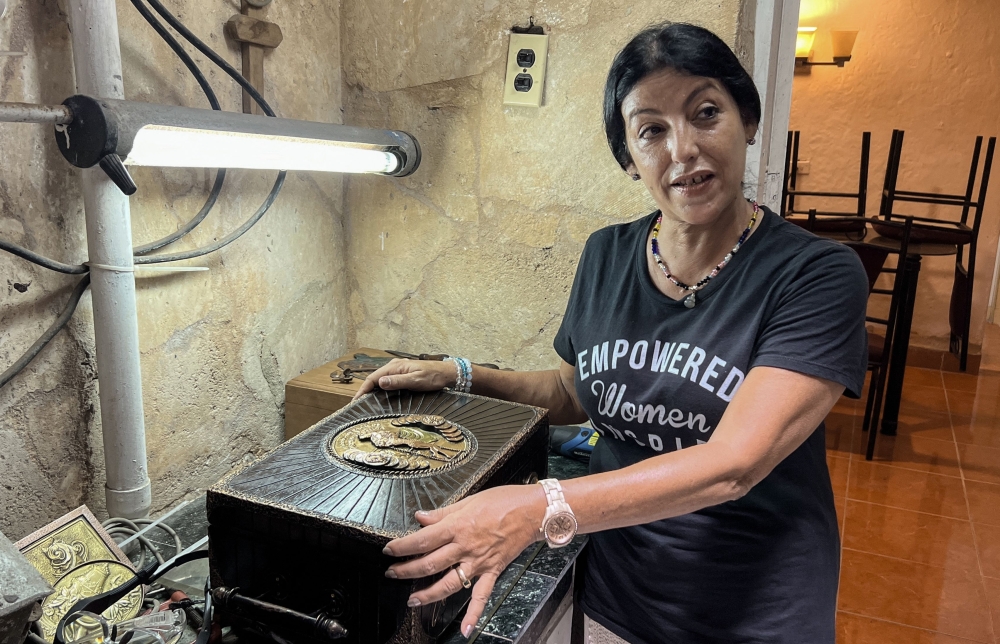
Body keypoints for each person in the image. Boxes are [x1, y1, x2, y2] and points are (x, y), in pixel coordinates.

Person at [355, 21, 868, 644]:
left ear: (748, 121)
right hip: (615, 589)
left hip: (754, 607)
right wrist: (463, 377)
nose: (682, 150)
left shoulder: (814, 274)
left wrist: (540, 506)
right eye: (651, 130)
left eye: (706, 113)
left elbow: (735, 464)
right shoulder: (607, 255)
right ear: (628, 158)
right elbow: (577, 392)